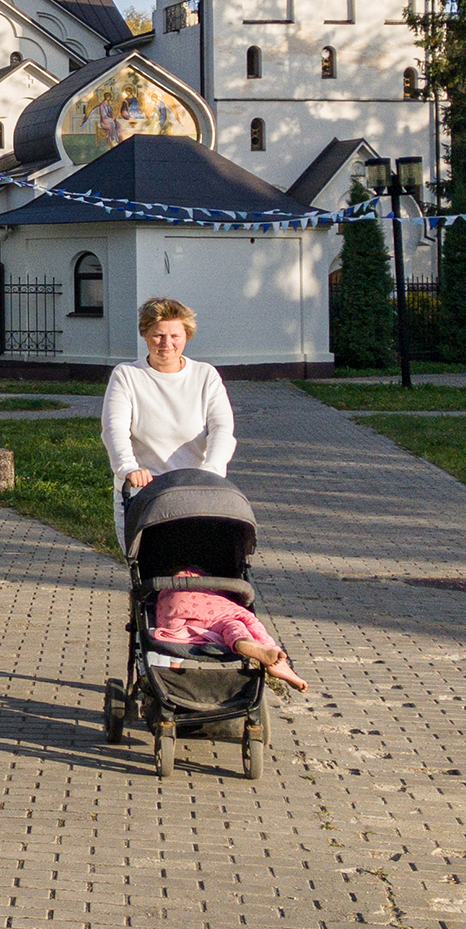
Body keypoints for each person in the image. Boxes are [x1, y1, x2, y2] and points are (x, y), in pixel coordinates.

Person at [101, 296, 235, 550]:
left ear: (187, 336)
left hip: (194, 492)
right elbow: (114, 429)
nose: (167, 344)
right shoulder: (127, 376)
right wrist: (128, 468)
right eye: (158, 335)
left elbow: (222, 429)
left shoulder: (205, 376)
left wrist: (211, 472)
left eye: (175, 336)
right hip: (144, 495)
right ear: (145, 335)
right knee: (150, 574)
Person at [151, 570, 306, 690]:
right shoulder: (208, 578)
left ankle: (173, 675)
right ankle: (264, 651)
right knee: (239, 619)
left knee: (215, 626)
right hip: (193, 597)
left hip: (168, 613)